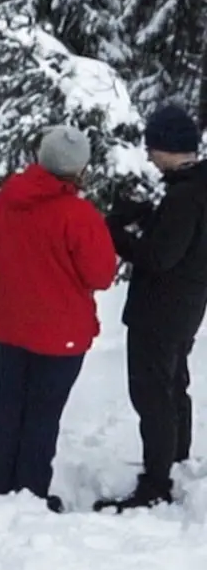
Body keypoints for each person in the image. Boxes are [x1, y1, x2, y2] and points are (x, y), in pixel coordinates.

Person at [0, 127, 117, 510]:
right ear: (79, 170)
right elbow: (102, 275)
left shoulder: (7, 199)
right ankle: (29, 496)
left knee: (9, 405)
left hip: (10, 323)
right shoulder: (78, 215)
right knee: (42, 414)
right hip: (62, 335)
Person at [96, 106, 207, 512]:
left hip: (160, 311)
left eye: (153, 147)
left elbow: (160, 256)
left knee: (152, 393)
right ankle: (174, 463)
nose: (149, 155)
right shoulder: (192, 187)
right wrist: (145, 218)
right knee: (173, 385)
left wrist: (117, 235)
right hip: (186, 307)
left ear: (170, 147)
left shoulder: (184, 195)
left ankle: (157, 481)